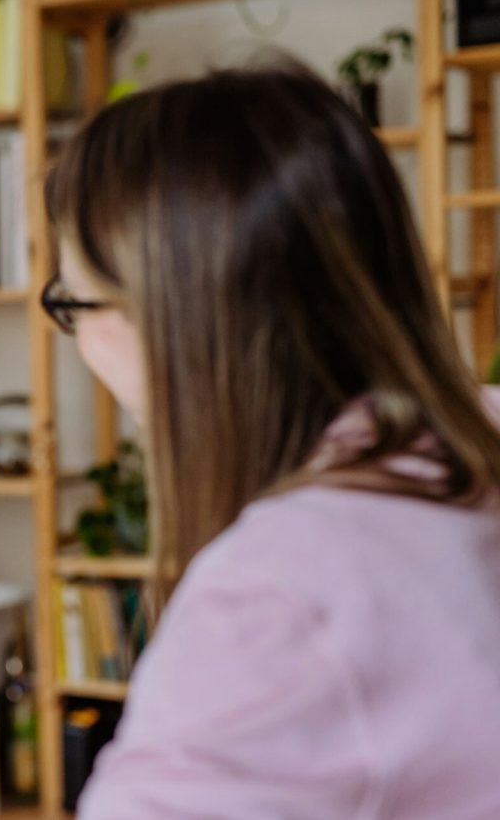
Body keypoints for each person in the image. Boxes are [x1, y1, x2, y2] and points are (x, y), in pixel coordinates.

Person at [43, 64, 500, 817]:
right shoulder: (478, 432)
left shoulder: (275, 595)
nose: (78, 343)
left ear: (171, 320)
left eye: (74, 303)